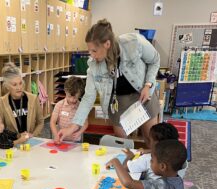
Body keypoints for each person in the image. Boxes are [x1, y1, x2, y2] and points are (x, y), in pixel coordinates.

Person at [58, 19, 160, 147]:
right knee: (121, 143)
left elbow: (155, 60)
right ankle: (125, 166)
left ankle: (151, 165)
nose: (91, 55)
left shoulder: (134, 42)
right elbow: (88, 98)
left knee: (151, 138)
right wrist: (72, 127)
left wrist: (148, 85)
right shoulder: (94, 66)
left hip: (143, 93)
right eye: (89, 51)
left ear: (107, 44)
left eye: (94, 51)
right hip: (118, 101)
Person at [122, 122, 187, 180]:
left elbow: (124, 168)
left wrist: (130, 156)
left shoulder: (148, 158)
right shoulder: (176, 155)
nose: (148, 142)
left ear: (157, 144)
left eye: (150, 140)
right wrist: (148, 151)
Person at [0, 62, 44, 138]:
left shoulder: (33, 99)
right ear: (7, 86)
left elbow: (40, 122)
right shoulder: (1, 103)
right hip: (13, 143)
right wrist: (16, 137)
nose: (19, 87)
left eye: (20, 83)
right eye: (14, 85)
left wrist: (33, 135)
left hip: (31, 140)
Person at [50, 76, 88, 143]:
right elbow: (52, 122)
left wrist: (79, 132)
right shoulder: (59, 105)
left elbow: (85, 123)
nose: (72, 100)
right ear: (65, 91)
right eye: (69, 96)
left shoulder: (81, 107)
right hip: (62, 140)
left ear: (79, 95)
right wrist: (56, 135)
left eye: (75, 98)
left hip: (75, 141)